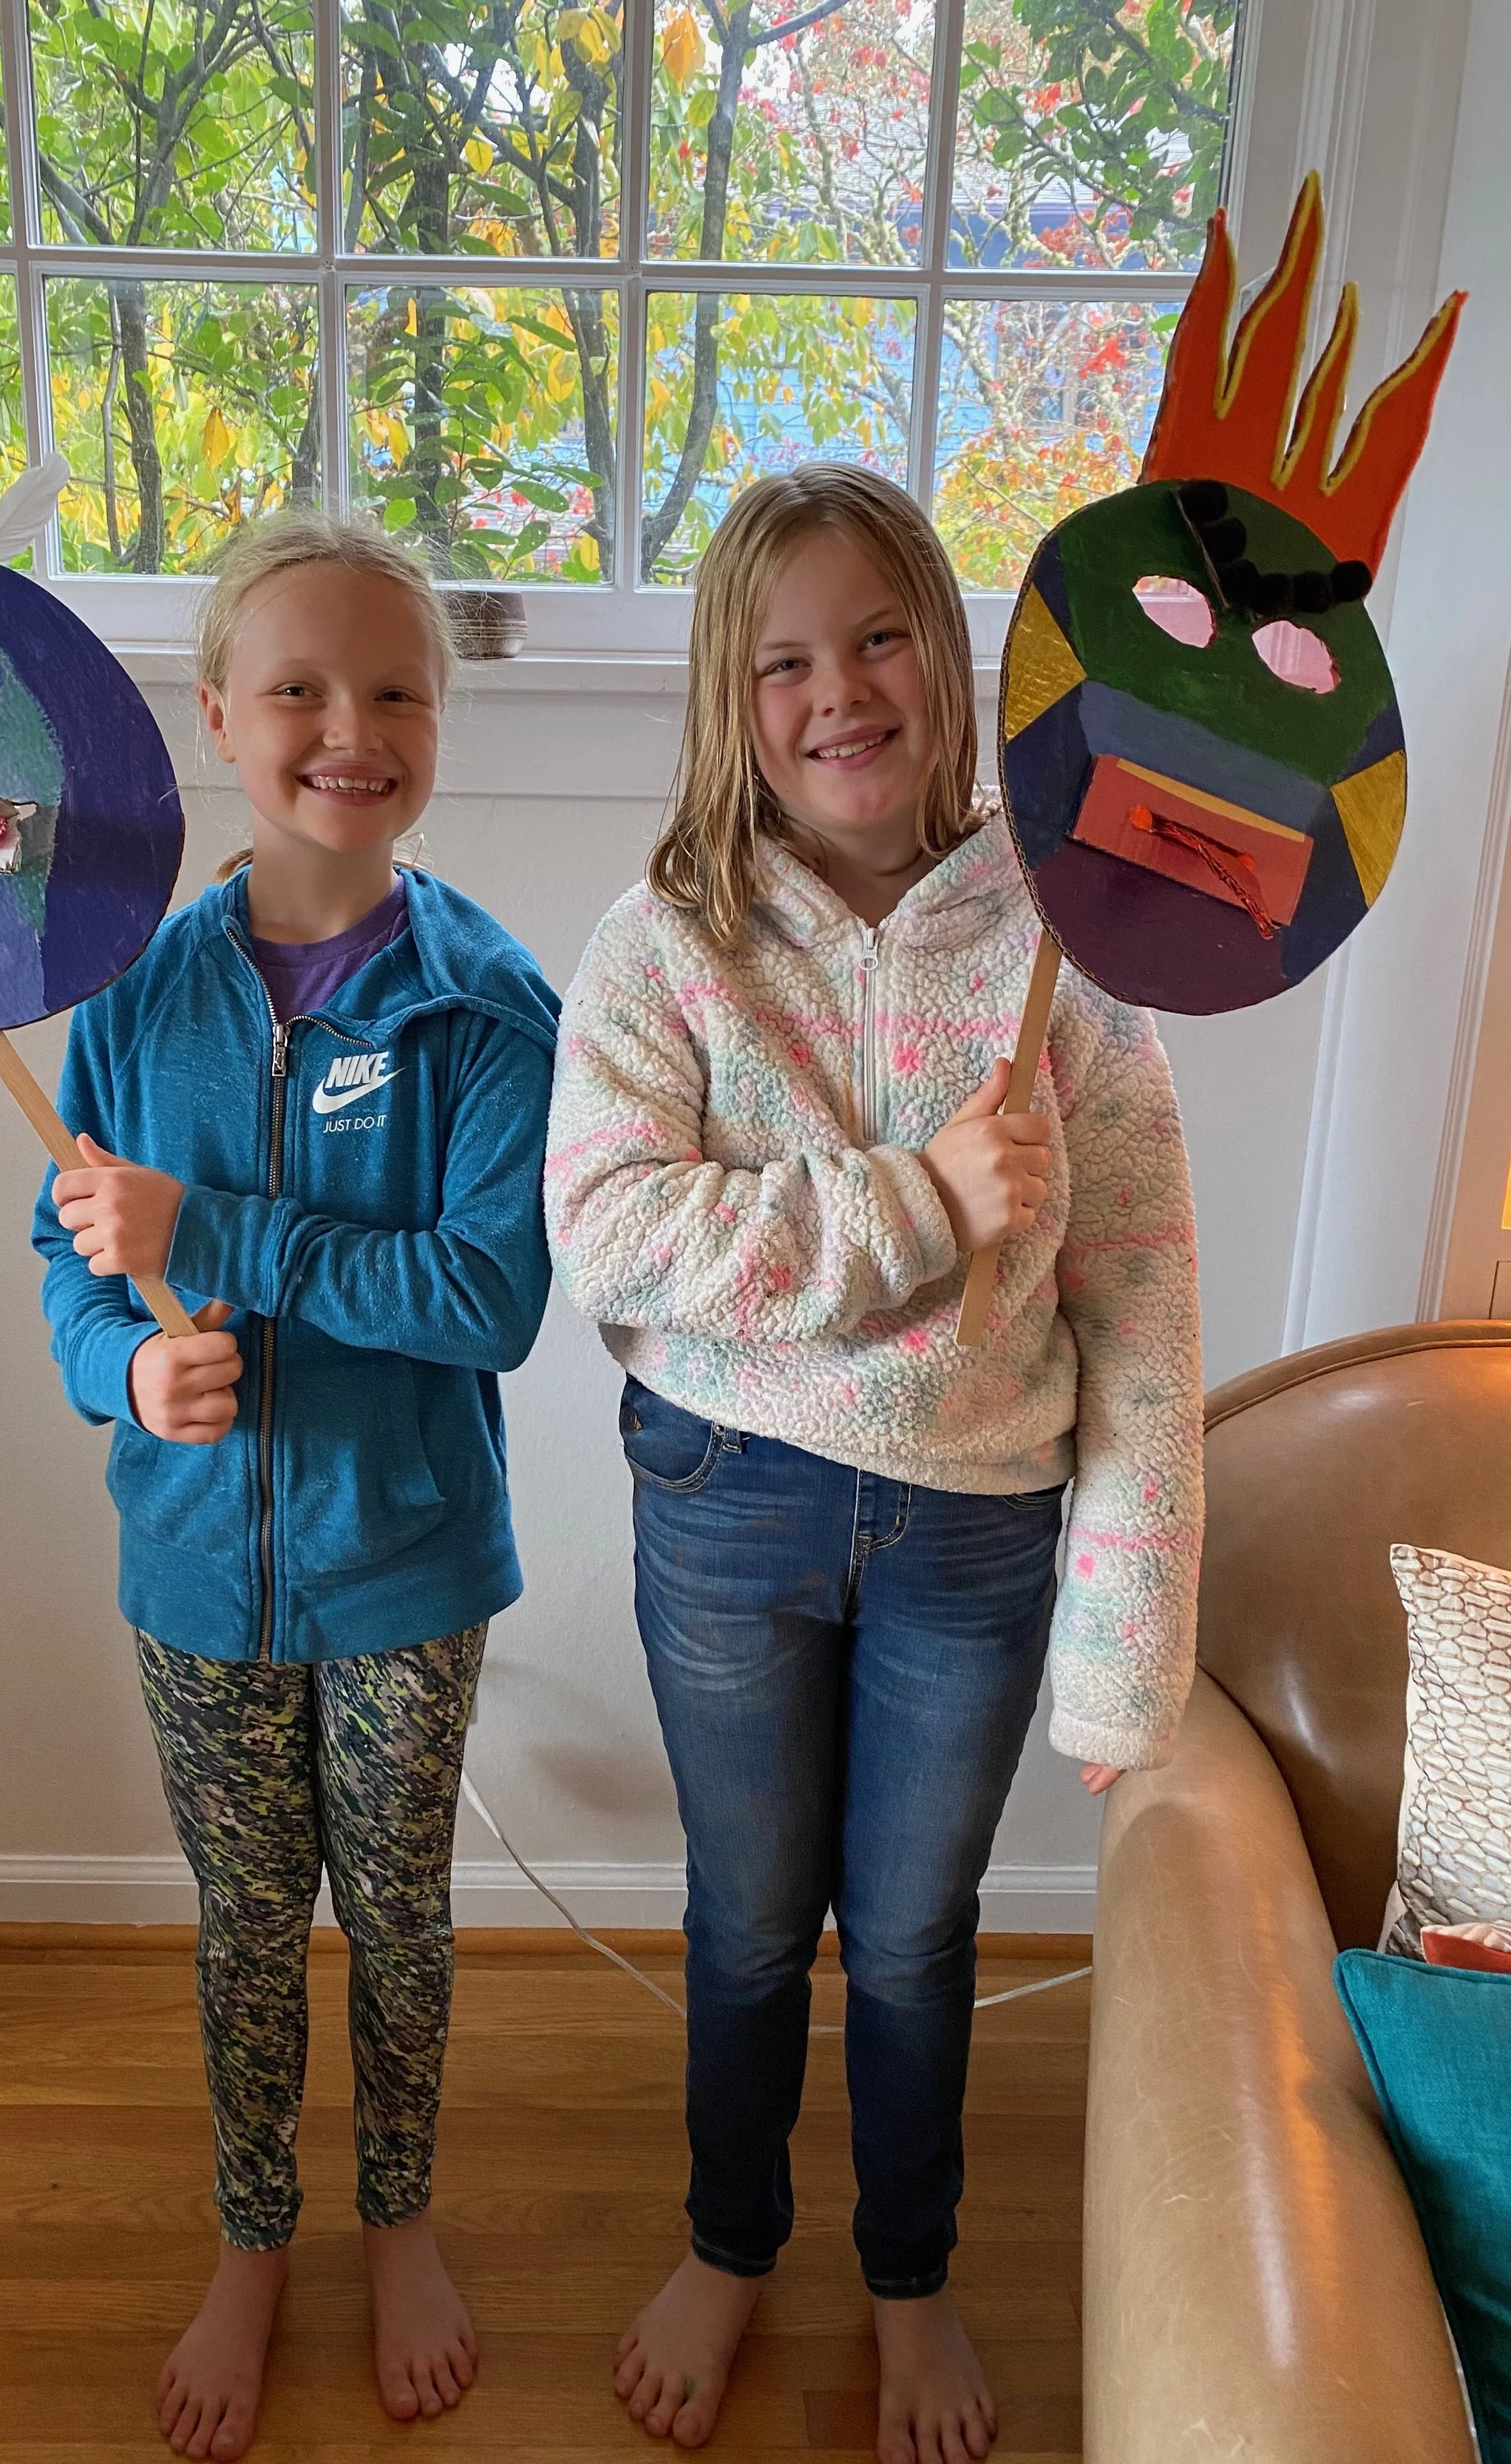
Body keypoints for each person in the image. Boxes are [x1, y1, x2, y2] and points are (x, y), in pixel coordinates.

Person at [544, 465, 1203, 2464]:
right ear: (721, 699)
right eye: (780, 660)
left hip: (977, 1540)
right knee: (748, 1924)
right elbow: (614, 1240)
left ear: (947, 641)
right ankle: (730, 2239)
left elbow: (1145, 1308)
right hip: (727, 1508)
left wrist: (1125, 1640)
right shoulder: (661, 944)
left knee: (913, 1937)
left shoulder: (1060, 943)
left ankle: (905, 2274)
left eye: (879, 634)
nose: (838, 690)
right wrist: (911, 1197)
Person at [34, 511, 559, 2463]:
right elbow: (72, 1260)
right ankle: (254, 2237)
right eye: (301, 688)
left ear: (438, 716)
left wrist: (223, 1236)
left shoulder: (483, 1005)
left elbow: (487, 1297)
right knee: (247, 1924)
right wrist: (125, 1358)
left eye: (397, 686)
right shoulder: (136, 991)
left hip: (405, 1564)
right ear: (218, 717)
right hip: (190, 1579)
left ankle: (397, 2220)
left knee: (396, 1917)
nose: (353, 725)